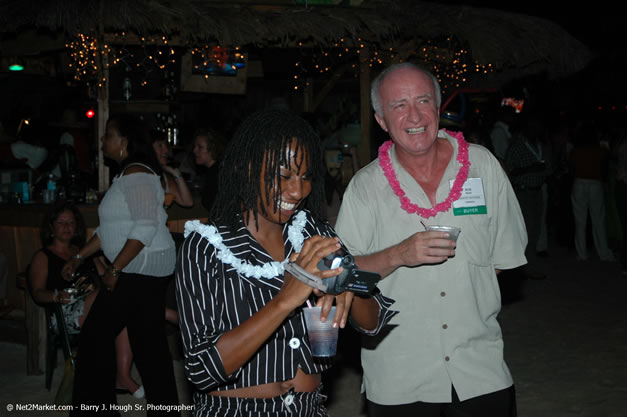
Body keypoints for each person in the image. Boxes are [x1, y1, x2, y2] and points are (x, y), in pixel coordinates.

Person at [176, 109, 397, 417]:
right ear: (244, 168)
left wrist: (346, 282)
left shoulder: (314, 234)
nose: (298, 190)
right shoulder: (205, 247)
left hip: (308, 408)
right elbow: (201, 369)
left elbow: (375, 320)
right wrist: (283, 302)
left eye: (306, 177)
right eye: (283, 176)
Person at [334, 63, 527, 417]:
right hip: (399, 376)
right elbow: (340, 273)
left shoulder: (483, 168)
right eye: (399, 105)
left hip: (479, 371)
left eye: (423, 101)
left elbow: (501, 260)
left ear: (438, 108)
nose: (414, 115)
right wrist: (398, 255)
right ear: (381, 120)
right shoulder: (365, 187)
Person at [62, 113, 179, 415]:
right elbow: (108, 231)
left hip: (140, 269)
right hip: (142, 268)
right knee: (149, 346)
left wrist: (115, 269)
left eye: (107, 135)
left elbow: (143, 227)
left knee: (94, 338)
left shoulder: (137, 174)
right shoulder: (127, 175)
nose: (101, 141)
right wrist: (79, 256)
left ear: (124, 142)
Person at [29, 202, 145, 398]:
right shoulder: (43, 256)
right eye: (61, 222)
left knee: (121, 302)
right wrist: (56, 296)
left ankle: (122, 375)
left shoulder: (83, 251)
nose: (67, 227)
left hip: (95, 304)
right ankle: (162, 313)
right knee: (112, 301)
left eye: (71, 222)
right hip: (64, 314)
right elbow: (37, 292)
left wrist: (96, 261)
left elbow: (106, 279)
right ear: (51, 227)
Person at [504, 115, 552, 279]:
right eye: (534, 126)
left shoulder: (539, 145)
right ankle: (524, 268)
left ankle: (528, 265)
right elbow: (509, 171)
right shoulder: (517, 146)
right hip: (523, 193)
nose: (537, 129)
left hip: (538, 191)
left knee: (535, 230)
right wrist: (530, 169)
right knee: (526, 231)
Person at [568, 120, 614, 262]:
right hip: (595, 183)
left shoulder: (575, 151)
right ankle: (604, 253)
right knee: (598, 220)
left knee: (580, 220)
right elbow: (605, 168)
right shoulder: (601, 150)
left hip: (579, 183)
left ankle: (582, 253)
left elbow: (572, 169)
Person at [151, 130, 193, 208]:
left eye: (166, 145)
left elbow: (188, 202)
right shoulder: (141, 175)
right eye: (160, 145)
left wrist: (176, 173)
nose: (166, 150)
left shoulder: (165, 177)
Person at [191, 127, 225, 213]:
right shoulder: (213, 171)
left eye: (200, 147)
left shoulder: (218, 172)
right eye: (195, 146)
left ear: (212, 149)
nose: (194, 150)